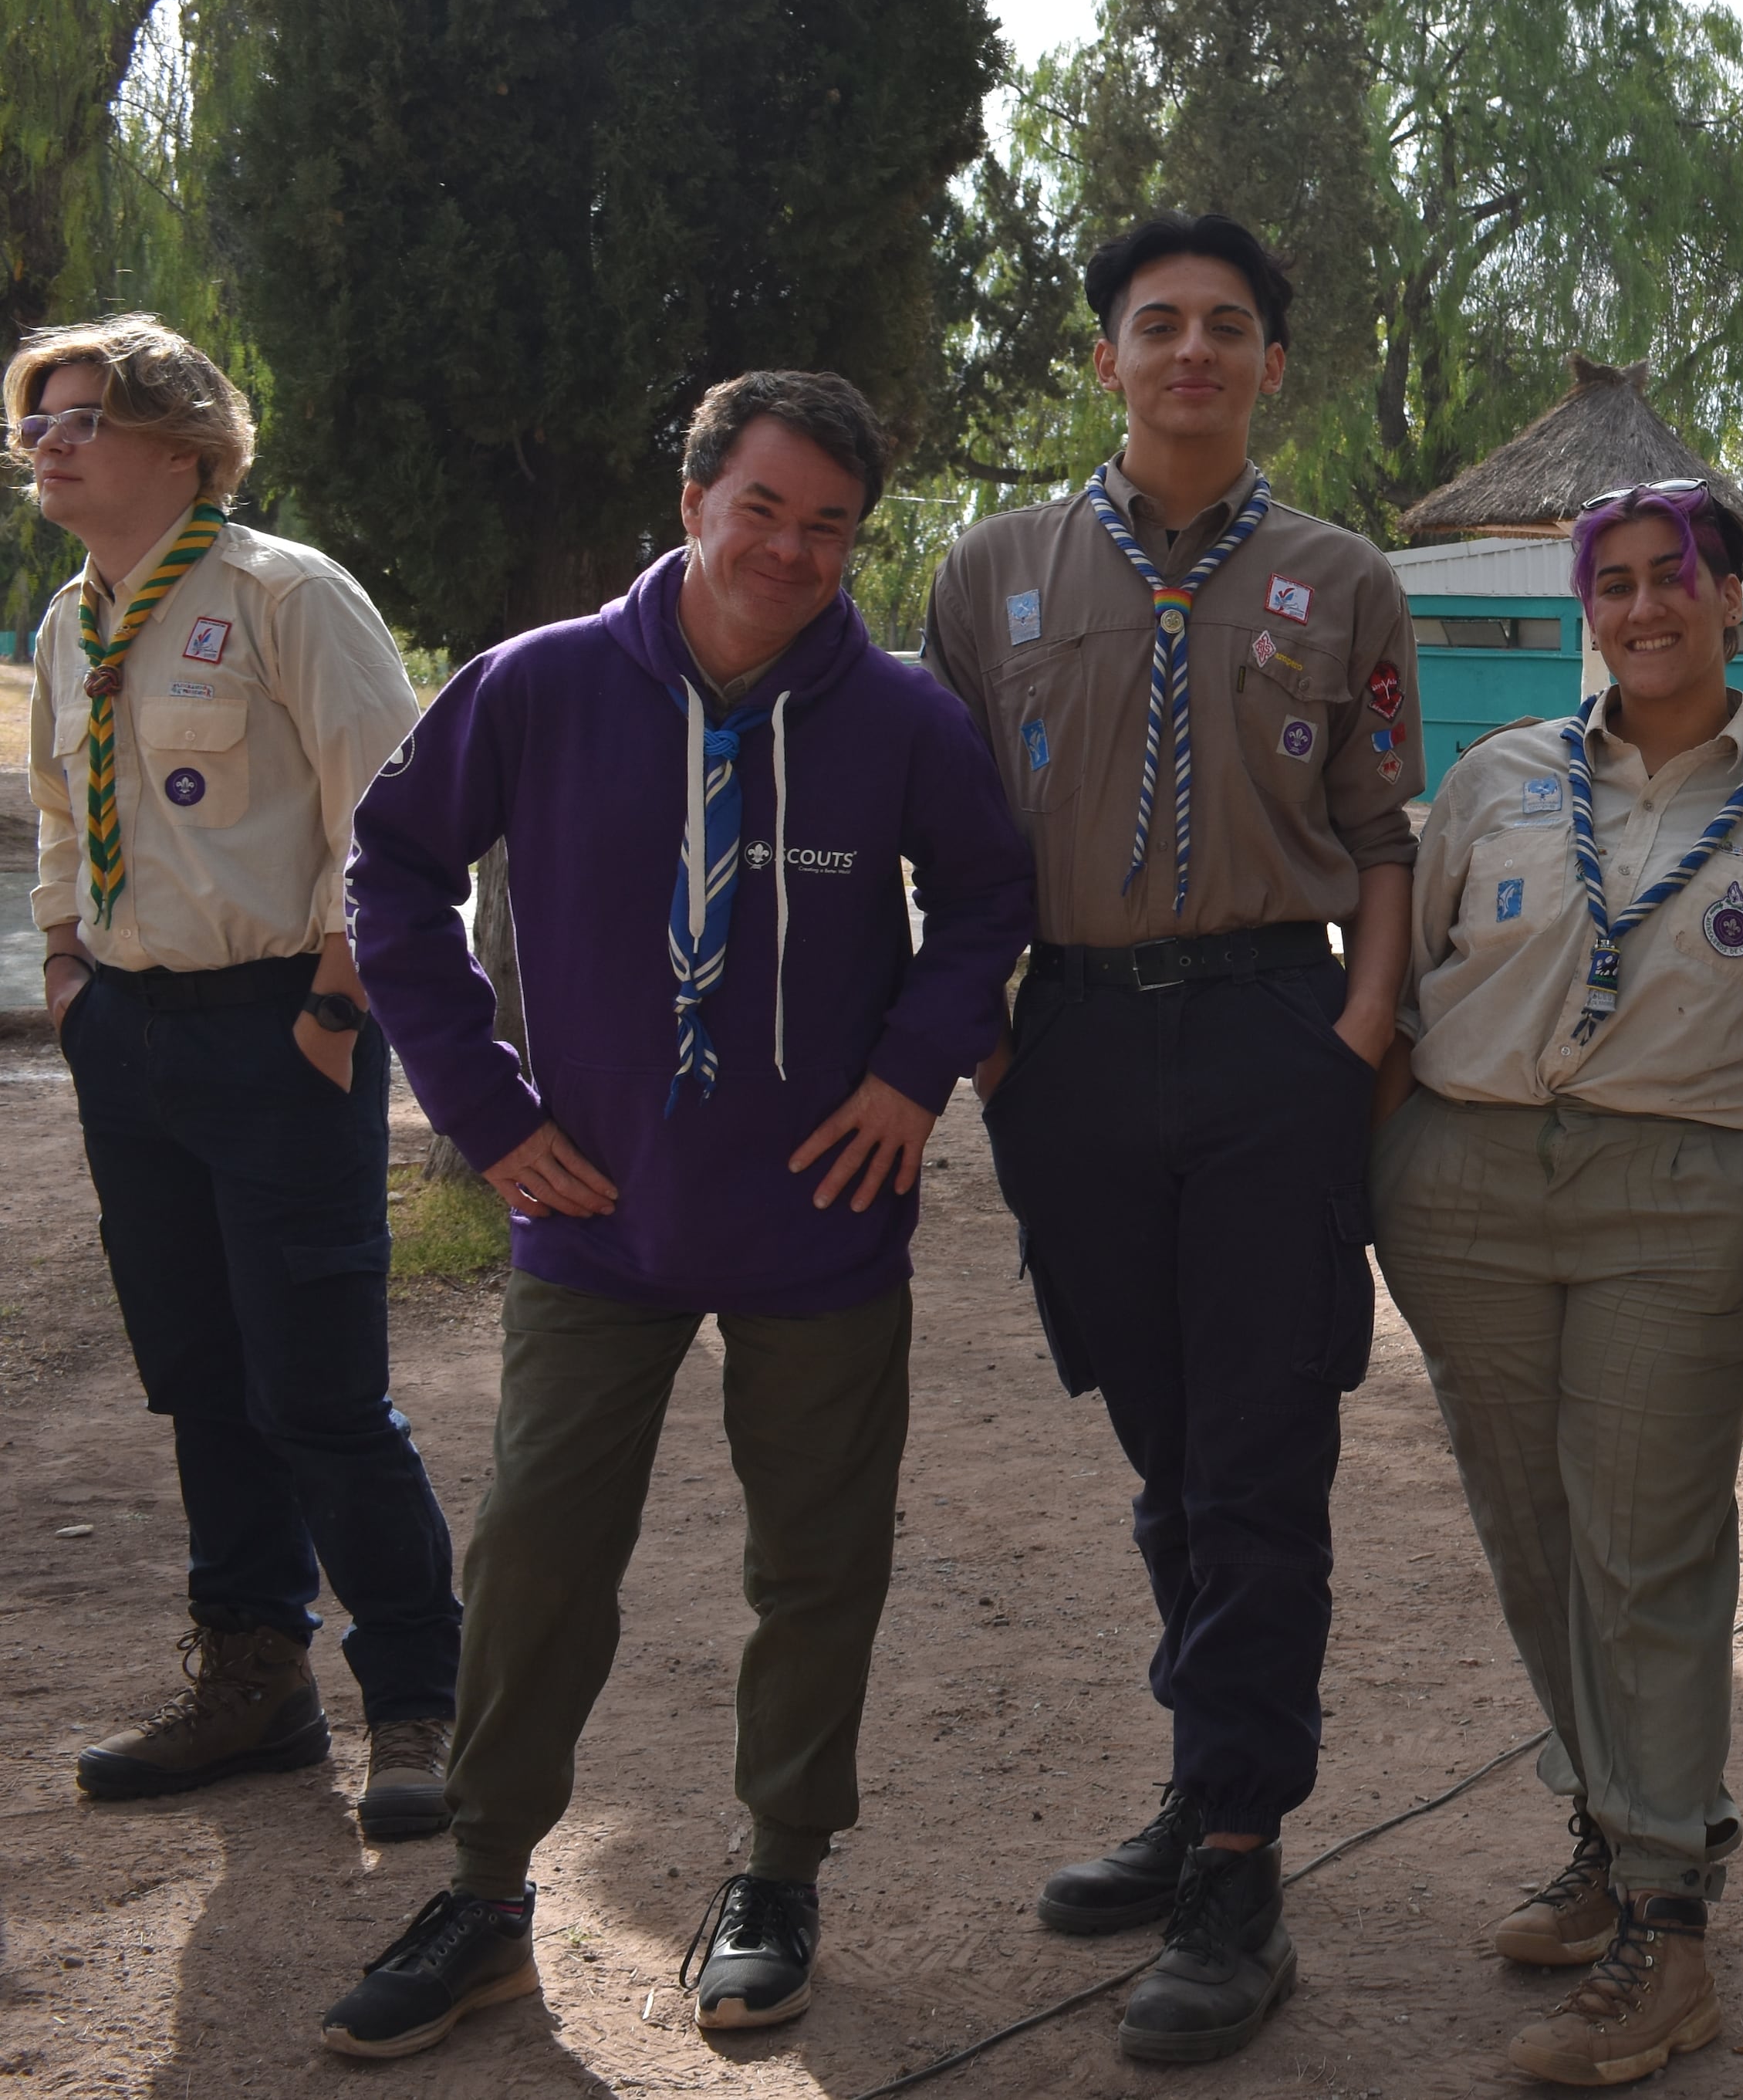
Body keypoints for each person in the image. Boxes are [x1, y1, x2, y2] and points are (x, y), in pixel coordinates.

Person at [317, 369, 1035, 2058]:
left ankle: (777, 1871)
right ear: (695, 495)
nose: (790, 548)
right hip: (595, 1214)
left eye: (831, 524)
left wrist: (916, 1069)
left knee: (816, 1562)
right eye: (762, 505)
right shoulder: (541, 685)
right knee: (540, 1550)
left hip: (820, 1217)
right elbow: (394, 872)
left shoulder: (906, 718)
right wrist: (485, 1112)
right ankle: (488, 1891)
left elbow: (992, 892)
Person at [923, 210, 1420, 2068]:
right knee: (1167, 1440)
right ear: (1108, 359)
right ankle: (1205, 1774)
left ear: (1269, 363)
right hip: (1068, 1054)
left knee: (1259, 1453)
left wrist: (1358, 1029)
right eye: (1159, 325)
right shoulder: (991, 576)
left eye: (1227, 327)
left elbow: (1383, 831)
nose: (1193, 351)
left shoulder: (1341, 577)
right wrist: (981, 1045)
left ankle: (1233, 1860)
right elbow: (953, 837)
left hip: (1271, 1029)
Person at [1376, 479, 1743, 2088]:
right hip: (1465, 1182)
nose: (1644, 606)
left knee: (1648, 1542)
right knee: (1533, 1531)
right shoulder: (1496, 777)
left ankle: (1668, 1931)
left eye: (1676, 577)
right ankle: (1610, 1833)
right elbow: (1409, 980)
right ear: (1582, 606)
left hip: (1680, 1201)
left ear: (1733, 595)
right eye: (1613, 582)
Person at [11, 317, 458, 1844]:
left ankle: (418, 1700)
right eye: (39, 421)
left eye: (83, 416)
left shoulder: (285, 594)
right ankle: (256, 1678)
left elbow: (392, 819)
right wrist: (67, 965)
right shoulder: (69, 621)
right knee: (202, 1373)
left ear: (184, 441)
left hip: (285, 1025)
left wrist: (337, 998)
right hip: (130, 1035)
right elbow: (63, 805)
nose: (50, 443)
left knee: (321, 1391)